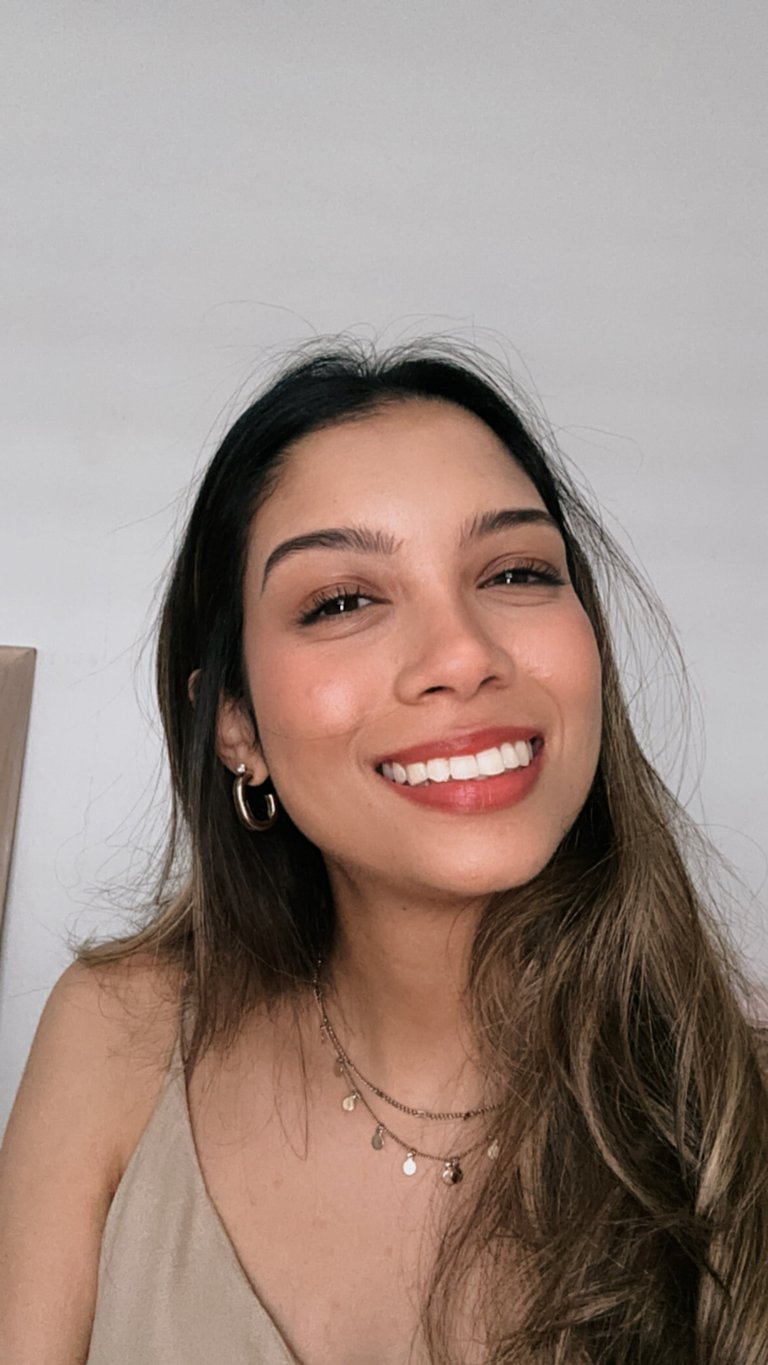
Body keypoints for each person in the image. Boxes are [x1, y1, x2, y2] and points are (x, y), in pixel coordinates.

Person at [1, 340, 766, 1365]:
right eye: (342, 601)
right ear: (235, 723)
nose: (464, 655)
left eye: (516, 572)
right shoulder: (114, 1038)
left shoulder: (739, 1117)